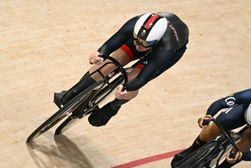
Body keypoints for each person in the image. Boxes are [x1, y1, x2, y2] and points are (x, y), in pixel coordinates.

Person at [54, 12, 189, 126]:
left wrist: (126, 90)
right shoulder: (136, 25)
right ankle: (75, 91)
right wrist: (99, 53)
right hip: (147, 38)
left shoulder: (167, 49)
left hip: (168, 52)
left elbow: (143, 78)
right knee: (111, 61)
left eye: (143, 44)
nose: (138, 46)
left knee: (133, 79)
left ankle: (114, 106)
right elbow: (113, 42)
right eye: (136, 39)